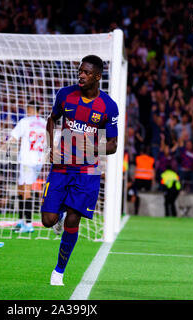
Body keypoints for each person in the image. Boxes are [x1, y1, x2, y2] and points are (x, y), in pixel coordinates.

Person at [41, 55, 119, 286]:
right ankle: (59, 212)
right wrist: (50, 147)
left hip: (88, 170)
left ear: (97, 76)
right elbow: (51, 119)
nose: (81, 75)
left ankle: (59, 272)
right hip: (61, 165)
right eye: (80, 71)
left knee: (73, 221)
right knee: (48, 220)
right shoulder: (65, 95)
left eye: (86, 72)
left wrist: (92, 146)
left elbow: (113, 145)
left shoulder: (109, 106)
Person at [1, 100, 47, 233]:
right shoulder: (45, 123)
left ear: (31, 109)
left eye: (28, 109)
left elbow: (14, 137)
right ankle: (21, 220)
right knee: (21, 187)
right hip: (38, 160)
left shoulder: (25, 122)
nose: (27, 111)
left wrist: (5, 146)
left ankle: (28, 223)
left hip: (27, 159)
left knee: (26, 189)